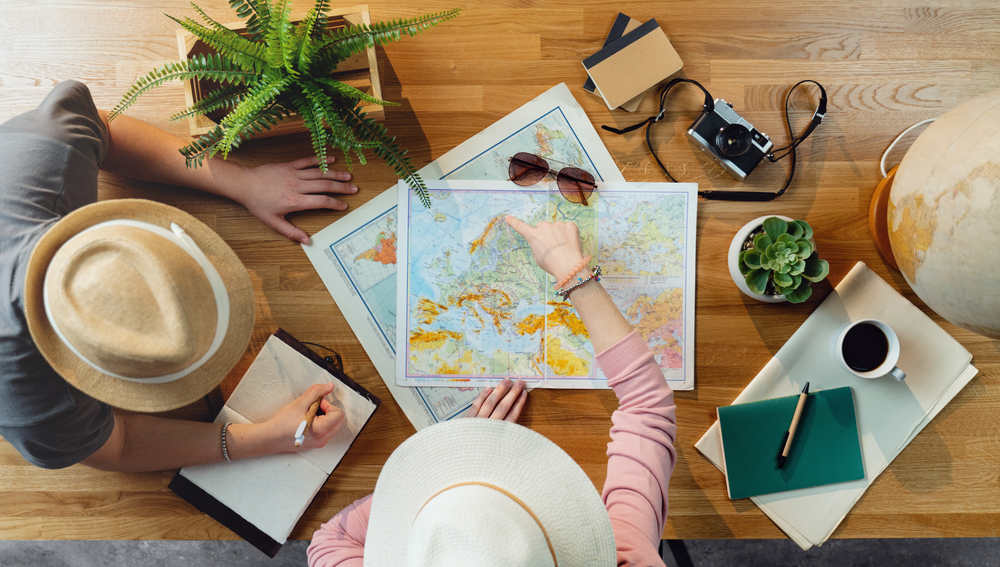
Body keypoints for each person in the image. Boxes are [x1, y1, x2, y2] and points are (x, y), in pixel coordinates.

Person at [0, 80, 359, 471]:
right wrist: (265, 438)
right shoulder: (33, 406)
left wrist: (243, 182)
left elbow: (104, 126)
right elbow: (116, 447)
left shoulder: (45, 151)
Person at [307, 216, 678, 567]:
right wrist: (572, 271)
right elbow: (647, 407)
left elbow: (328, 544)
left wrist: (449, 464)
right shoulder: (623, 558)